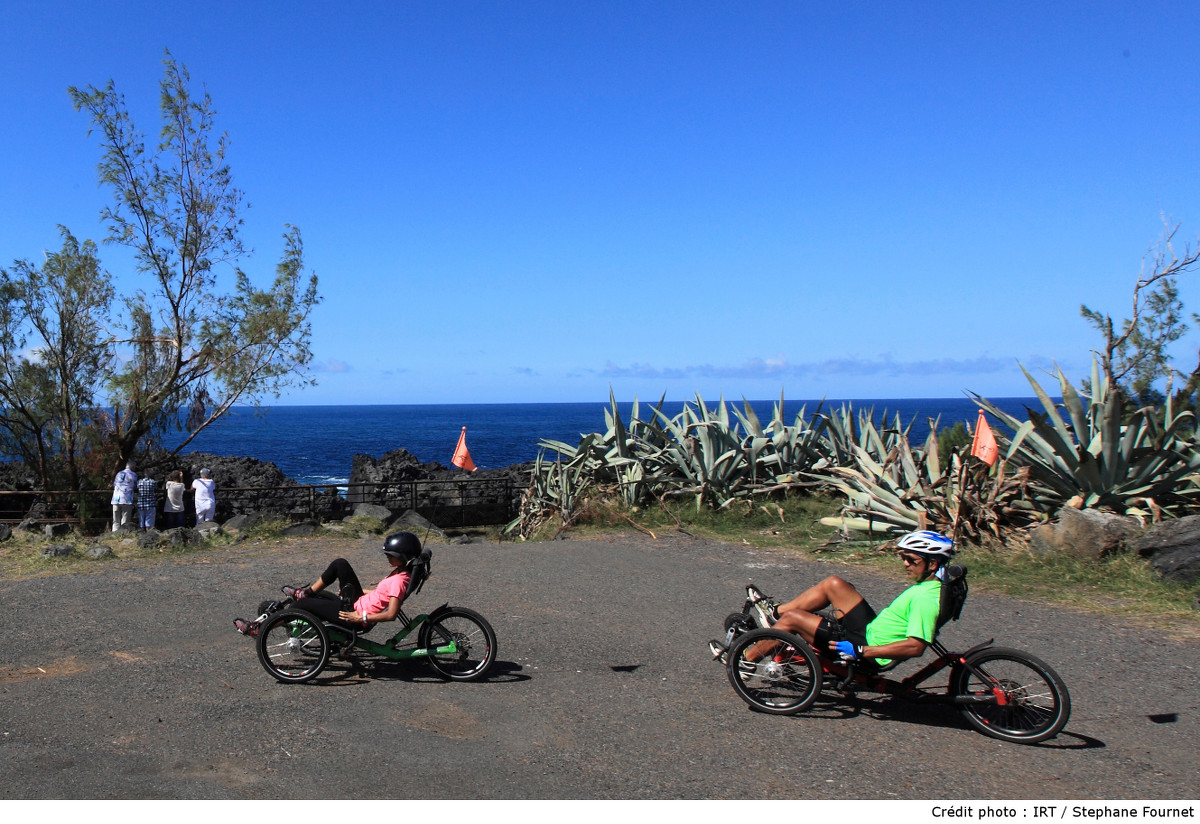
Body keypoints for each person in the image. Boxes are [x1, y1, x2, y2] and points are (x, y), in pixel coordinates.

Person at [712, 530, 956, 668]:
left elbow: (915, 647)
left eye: (911, 560)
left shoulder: (925, 599)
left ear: (933, 563)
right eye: (903, 557)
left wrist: (861, 650)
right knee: (835, 584)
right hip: (871, 630)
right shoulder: (934, 584)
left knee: (795, 619)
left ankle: (744, 661)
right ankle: (775, 613)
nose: (905, 564)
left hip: (867, 647)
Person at [234, 532, 423, 637]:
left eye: (390, 555)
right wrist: (363, 591)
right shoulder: (400, 572)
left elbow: (391, 614)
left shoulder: (398, 581)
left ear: (403, 557)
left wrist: (359, 618)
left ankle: (260, 629)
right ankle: (305, 592)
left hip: (353, 616)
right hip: (358, 602)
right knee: (340, 563)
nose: (387, 557)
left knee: (300, 606)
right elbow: (382, 595)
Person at [110, 461, 137, 532]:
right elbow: (135, 486)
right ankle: (122, 534)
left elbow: (114, 484)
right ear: (132, 467)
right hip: (126, 499)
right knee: (125, 520)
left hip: (116, 498)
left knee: (115, 520)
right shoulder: (133, 475)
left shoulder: (119, 473)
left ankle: (114, 534)